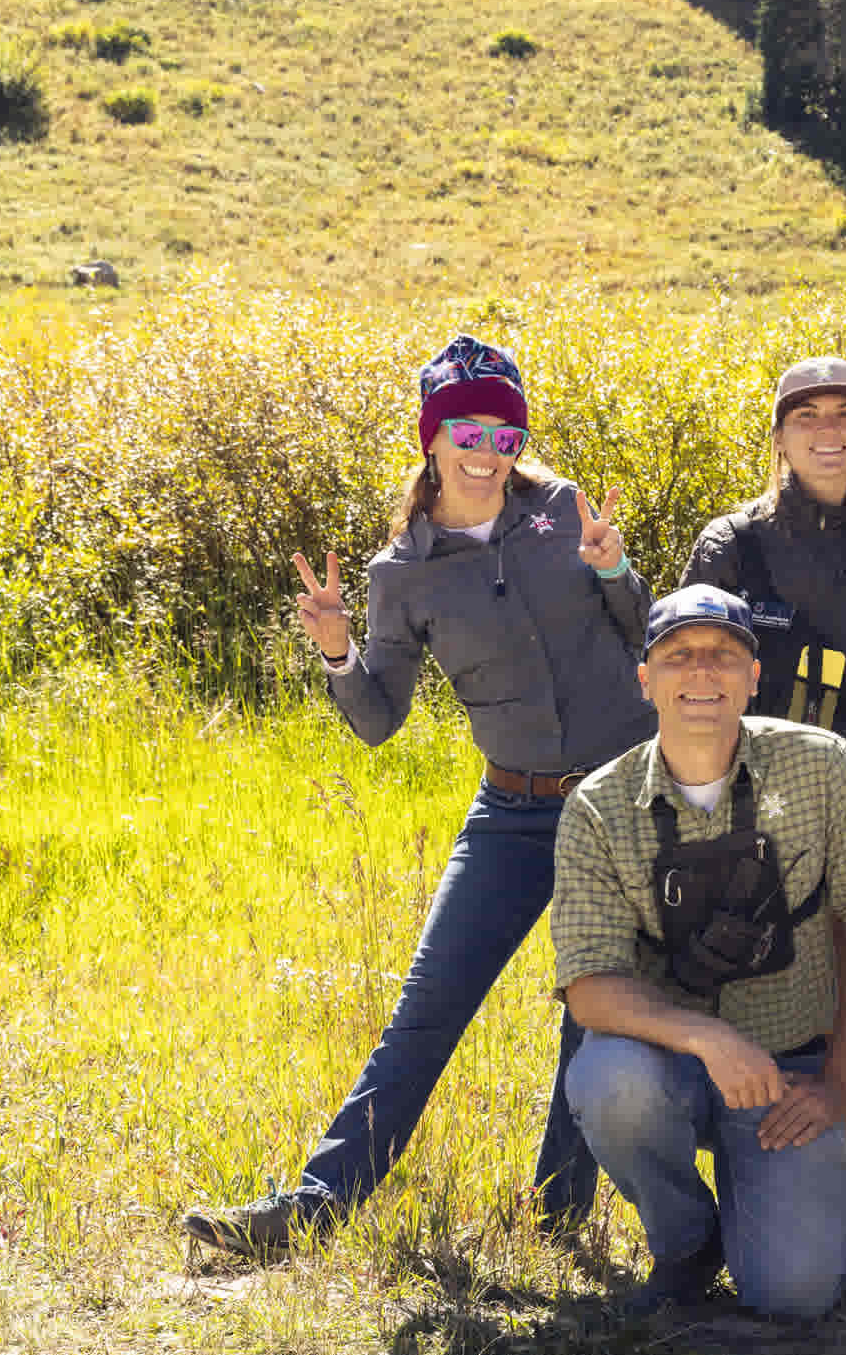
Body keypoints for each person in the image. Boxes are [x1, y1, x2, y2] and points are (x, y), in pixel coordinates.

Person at [182, 334, 656, 1257]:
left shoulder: (565, 510)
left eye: (506, 432)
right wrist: (335, 646)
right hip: (511, 814)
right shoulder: (399, 571)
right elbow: (377, 718)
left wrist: (616, 571)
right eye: (468, 430)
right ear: (432, 437)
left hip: (617, 800)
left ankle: (562, 1219)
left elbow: (645, 637)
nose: (487, 450)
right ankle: (311, 1211)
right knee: (427, 1009)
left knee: (591, 1005)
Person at [551, 585, 846, 1320]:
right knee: (608, 1079)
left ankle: (762, 1217)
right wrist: (707, 1038)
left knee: (795, 1294)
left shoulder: (822, 764)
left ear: (754, 675)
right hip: (665, 1065)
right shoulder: (597, 804)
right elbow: (588, 986)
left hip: (791, 1074)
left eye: (724, 653)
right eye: (678, 655)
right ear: (645, 677)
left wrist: (842, 1082)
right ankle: (686, 1241)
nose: (702, 672)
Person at [682, 357, 846, 852]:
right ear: (779, 436)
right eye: (806, 415)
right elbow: (687, 678)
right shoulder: (732, 544)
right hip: (740, 800)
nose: (828, 429)